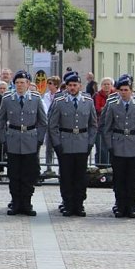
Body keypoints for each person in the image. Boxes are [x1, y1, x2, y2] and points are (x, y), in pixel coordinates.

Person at [0, 70, 47, 216]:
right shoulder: (7, 99)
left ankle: (27, 203)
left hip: (30, 140)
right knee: (14, 174)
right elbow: (0, 121)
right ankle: (16, 203)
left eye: (22, 82)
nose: (19, 85)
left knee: (28, 174)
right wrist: (4, 139)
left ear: (28, 84)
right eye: (17, 82)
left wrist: (39, 140)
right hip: (13, 139)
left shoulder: (35, 99)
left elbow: (43, 122)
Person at [48, 71, 97, 217]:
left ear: (80, 86)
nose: (72, 88)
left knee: (80, 176)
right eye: (70, 85)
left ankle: (79, 204)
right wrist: (57, 144)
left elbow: (93, 125)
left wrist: (90, 143)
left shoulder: (88, 101)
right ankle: (68, 203)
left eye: (75, 85)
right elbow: (53, 125)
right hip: (65, 143)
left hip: (82, 143)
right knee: (66, 176)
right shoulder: (60, 101)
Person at [102, 77, 135, 218]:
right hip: (118, 144)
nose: (123, 93)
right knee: (119, 177)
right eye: (121, 90)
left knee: (133, 178)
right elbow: (107, 127)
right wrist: (110, 145)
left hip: (134, 145)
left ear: (131, 91)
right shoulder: (113, 104)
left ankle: (131, 204)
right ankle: (120, 204)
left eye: (126, 90)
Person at [41, 76, 61, 178]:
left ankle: (61, 168)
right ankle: (48, 167)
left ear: (56, 85)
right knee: (49, 148)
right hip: (49, 124)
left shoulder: (61, 95)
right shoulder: (46, 95)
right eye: (48, 83)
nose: (48, 85)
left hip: (58, 125)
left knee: (59, 147)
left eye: (50, 83)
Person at [94, 78, 115, 166]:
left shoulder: (115, 95)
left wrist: (104, 108)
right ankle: (100, 167)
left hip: (113, 126)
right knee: (101, 148)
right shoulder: (96, 95)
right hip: (100, 126)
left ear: (112, 86)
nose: (106, 86)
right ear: (101, 86)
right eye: (104, 84)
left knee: (112, 148)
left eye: (108, 84)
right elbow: (97, 109)